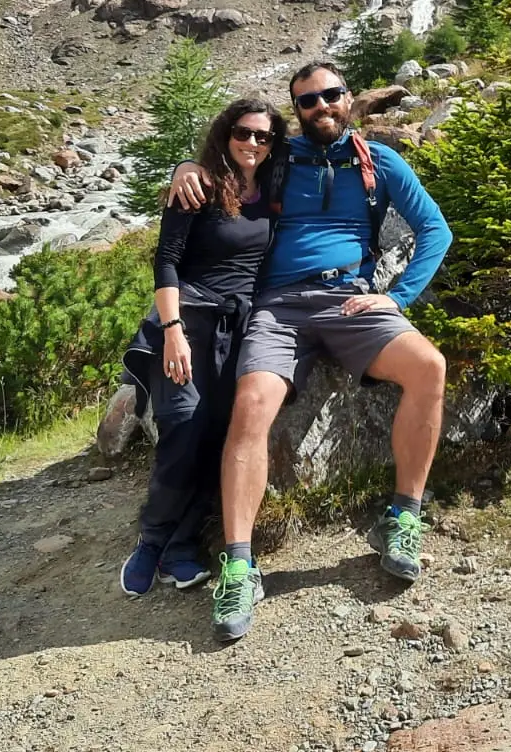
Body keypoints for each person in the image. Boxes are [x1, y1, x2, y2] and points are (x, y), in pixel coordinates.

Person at [170, 60, 452, 642]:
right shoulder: (280, 157)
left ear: (349, 98)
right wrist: (185, 167)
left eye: (330, 95)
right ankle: (240, 564)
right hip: (278, 306)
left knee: (429, 368)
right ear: (295, 111)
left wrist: (396, 299)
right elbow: (228, 158)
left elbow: (435, 231)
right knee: (251, 406)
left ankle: (403, 516)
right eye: (307, 101)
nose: (321, 106)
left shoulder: (381, 162)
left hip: (351, 298)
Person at [118, 97, 287, 597]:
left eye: (263, 136)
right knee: (184, 424)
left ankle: (182, 546)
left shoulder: (275, 187)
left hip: (241, 327)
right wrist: (171, 330)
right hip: (189, 318)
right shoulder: (200, 186)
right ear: (224, 133)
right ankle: (151, 540)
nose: (252, 142)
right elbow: (166, 261)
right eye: (243, 132)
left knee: (219, 433)